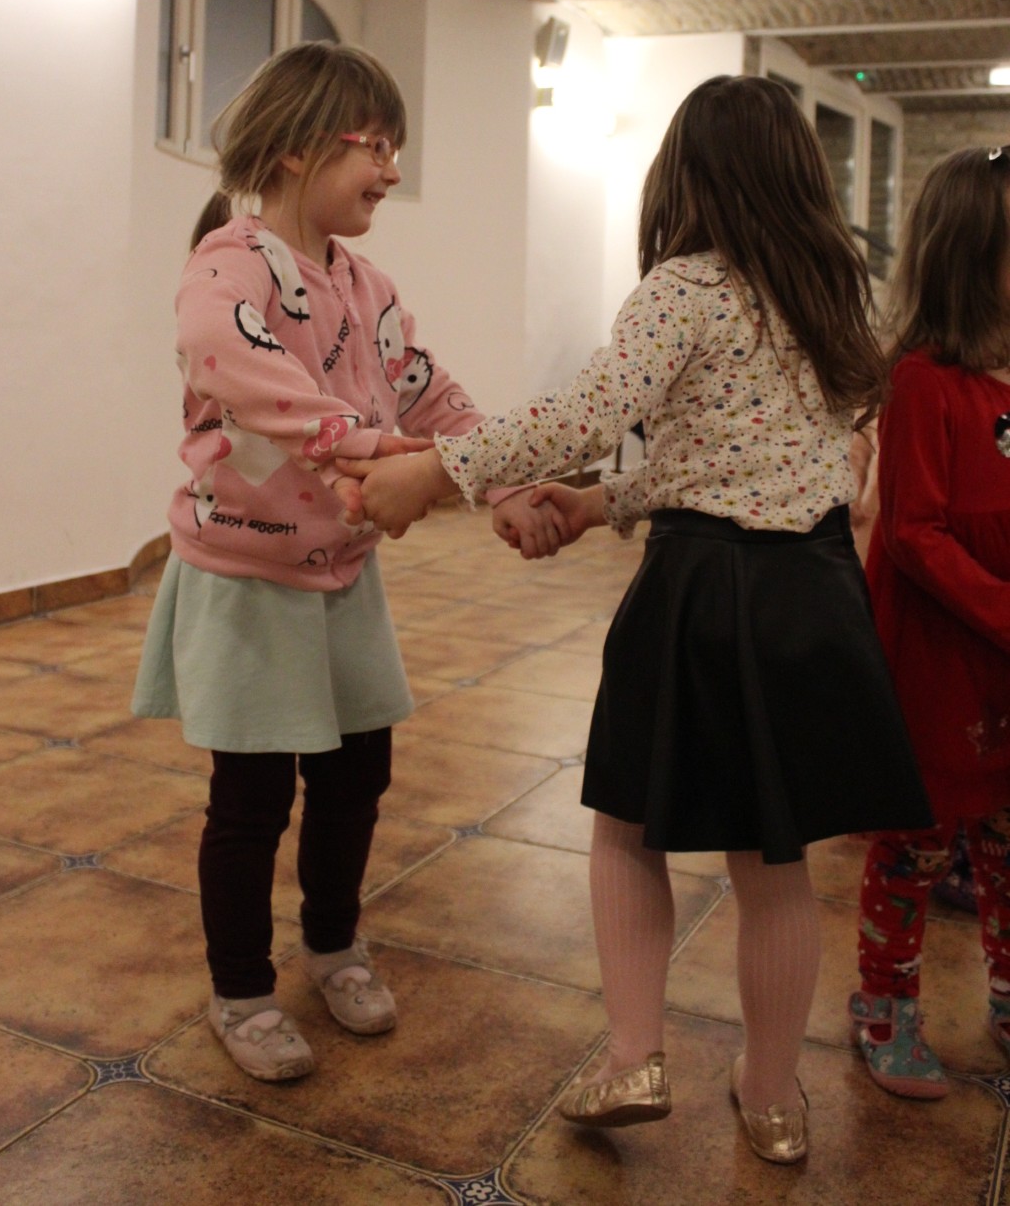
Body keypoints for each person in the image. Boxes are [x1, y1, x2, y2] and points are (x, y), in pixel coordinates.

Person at [339, 74, 932, 1163]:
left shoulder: (684, 287)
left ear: (685, 175)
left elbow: (589, 411)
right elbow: (736, 459)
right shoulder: (830, 299)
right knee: (773, 860)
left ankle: (634, 1057)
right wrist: (598, 502)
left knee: (625, 825)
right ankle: (773, 1097)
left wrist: (439, 470)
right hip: (811, 597)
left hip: (700, 596)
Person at [132, 42, 561, 1083]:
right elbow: (255, 380)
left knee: (356, 775)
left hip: (342, 572)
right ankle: (242, 991)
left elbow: (429, 392)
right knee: (250, 800)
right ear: (296, 148)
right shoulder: (228, 267)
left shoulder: (367, 285)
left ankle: (333, 945)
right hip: (247, 578)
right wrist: (390, 455)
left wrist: (501, 478)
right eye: (377, 147)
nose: (393, 171)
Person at [846, 146, 1010, 1099]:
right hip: (942, 660)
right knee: (916, 845)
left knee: (1007, 842)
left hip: (1002, 661)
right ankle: (884, 1005)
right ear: (973, 257)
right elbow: (914, 533)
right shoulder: (922, 382)